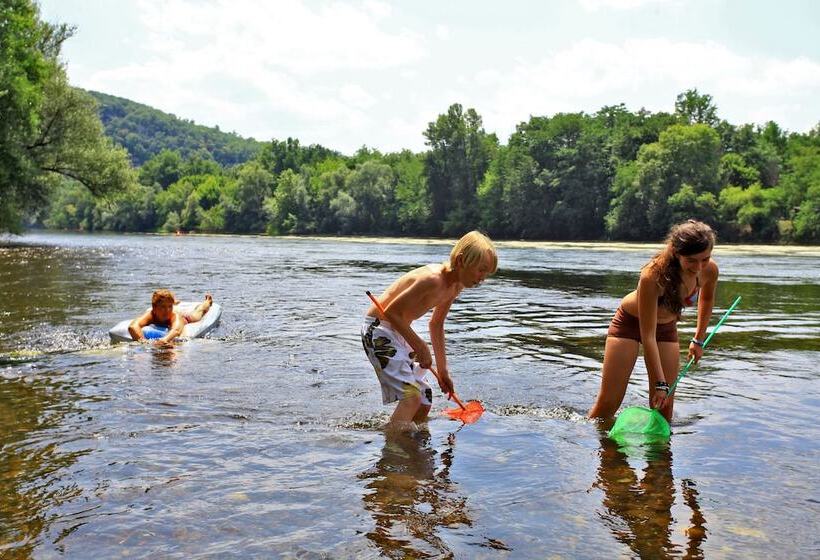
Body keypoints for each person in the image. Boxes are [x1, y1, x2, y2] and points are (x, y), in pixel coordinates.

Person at [362, 231, 498, 431]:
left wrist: (443, 371)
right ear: (461, 261)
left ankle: (411, 444)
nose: (482, 278)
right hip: (379, 330)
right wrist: (420, 346)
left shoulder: (455, 286)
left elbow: (436, 324)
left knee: (424, 400)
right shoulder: (433, 279)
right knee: (411, 397)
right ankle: (394, 449)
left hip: (398, 331)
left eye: (487, 273)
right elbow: (391, 312)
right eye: (481, 270)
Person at [589, 220, 718, 422]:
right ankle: (584, 440)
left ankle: (659, 454)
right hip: (630, 324)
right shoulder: (653, 275)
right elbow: (648, 336)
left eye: (705, 259)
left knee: (664, 409)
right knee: (608, 405)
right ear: (676, 252)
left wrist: (698, 340)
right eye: (691, 260)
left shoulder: (709, 270)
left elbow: (707, 299)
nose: (699, 267)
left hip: (666, 327)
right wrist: (660, 384)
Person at [128, 289, 213, 345]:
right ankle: (173, 302)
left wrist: (164, 339)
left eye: (170, 306)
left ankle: (207, 302)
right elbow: (133, 326)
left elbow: (176, 330)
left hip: (184, 319)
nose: (167, 310)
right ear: (154, 307)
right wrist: (143, 342)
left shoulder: (175, 316)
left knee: (197, 314)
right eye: (163, 307)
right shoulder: (151, 314)